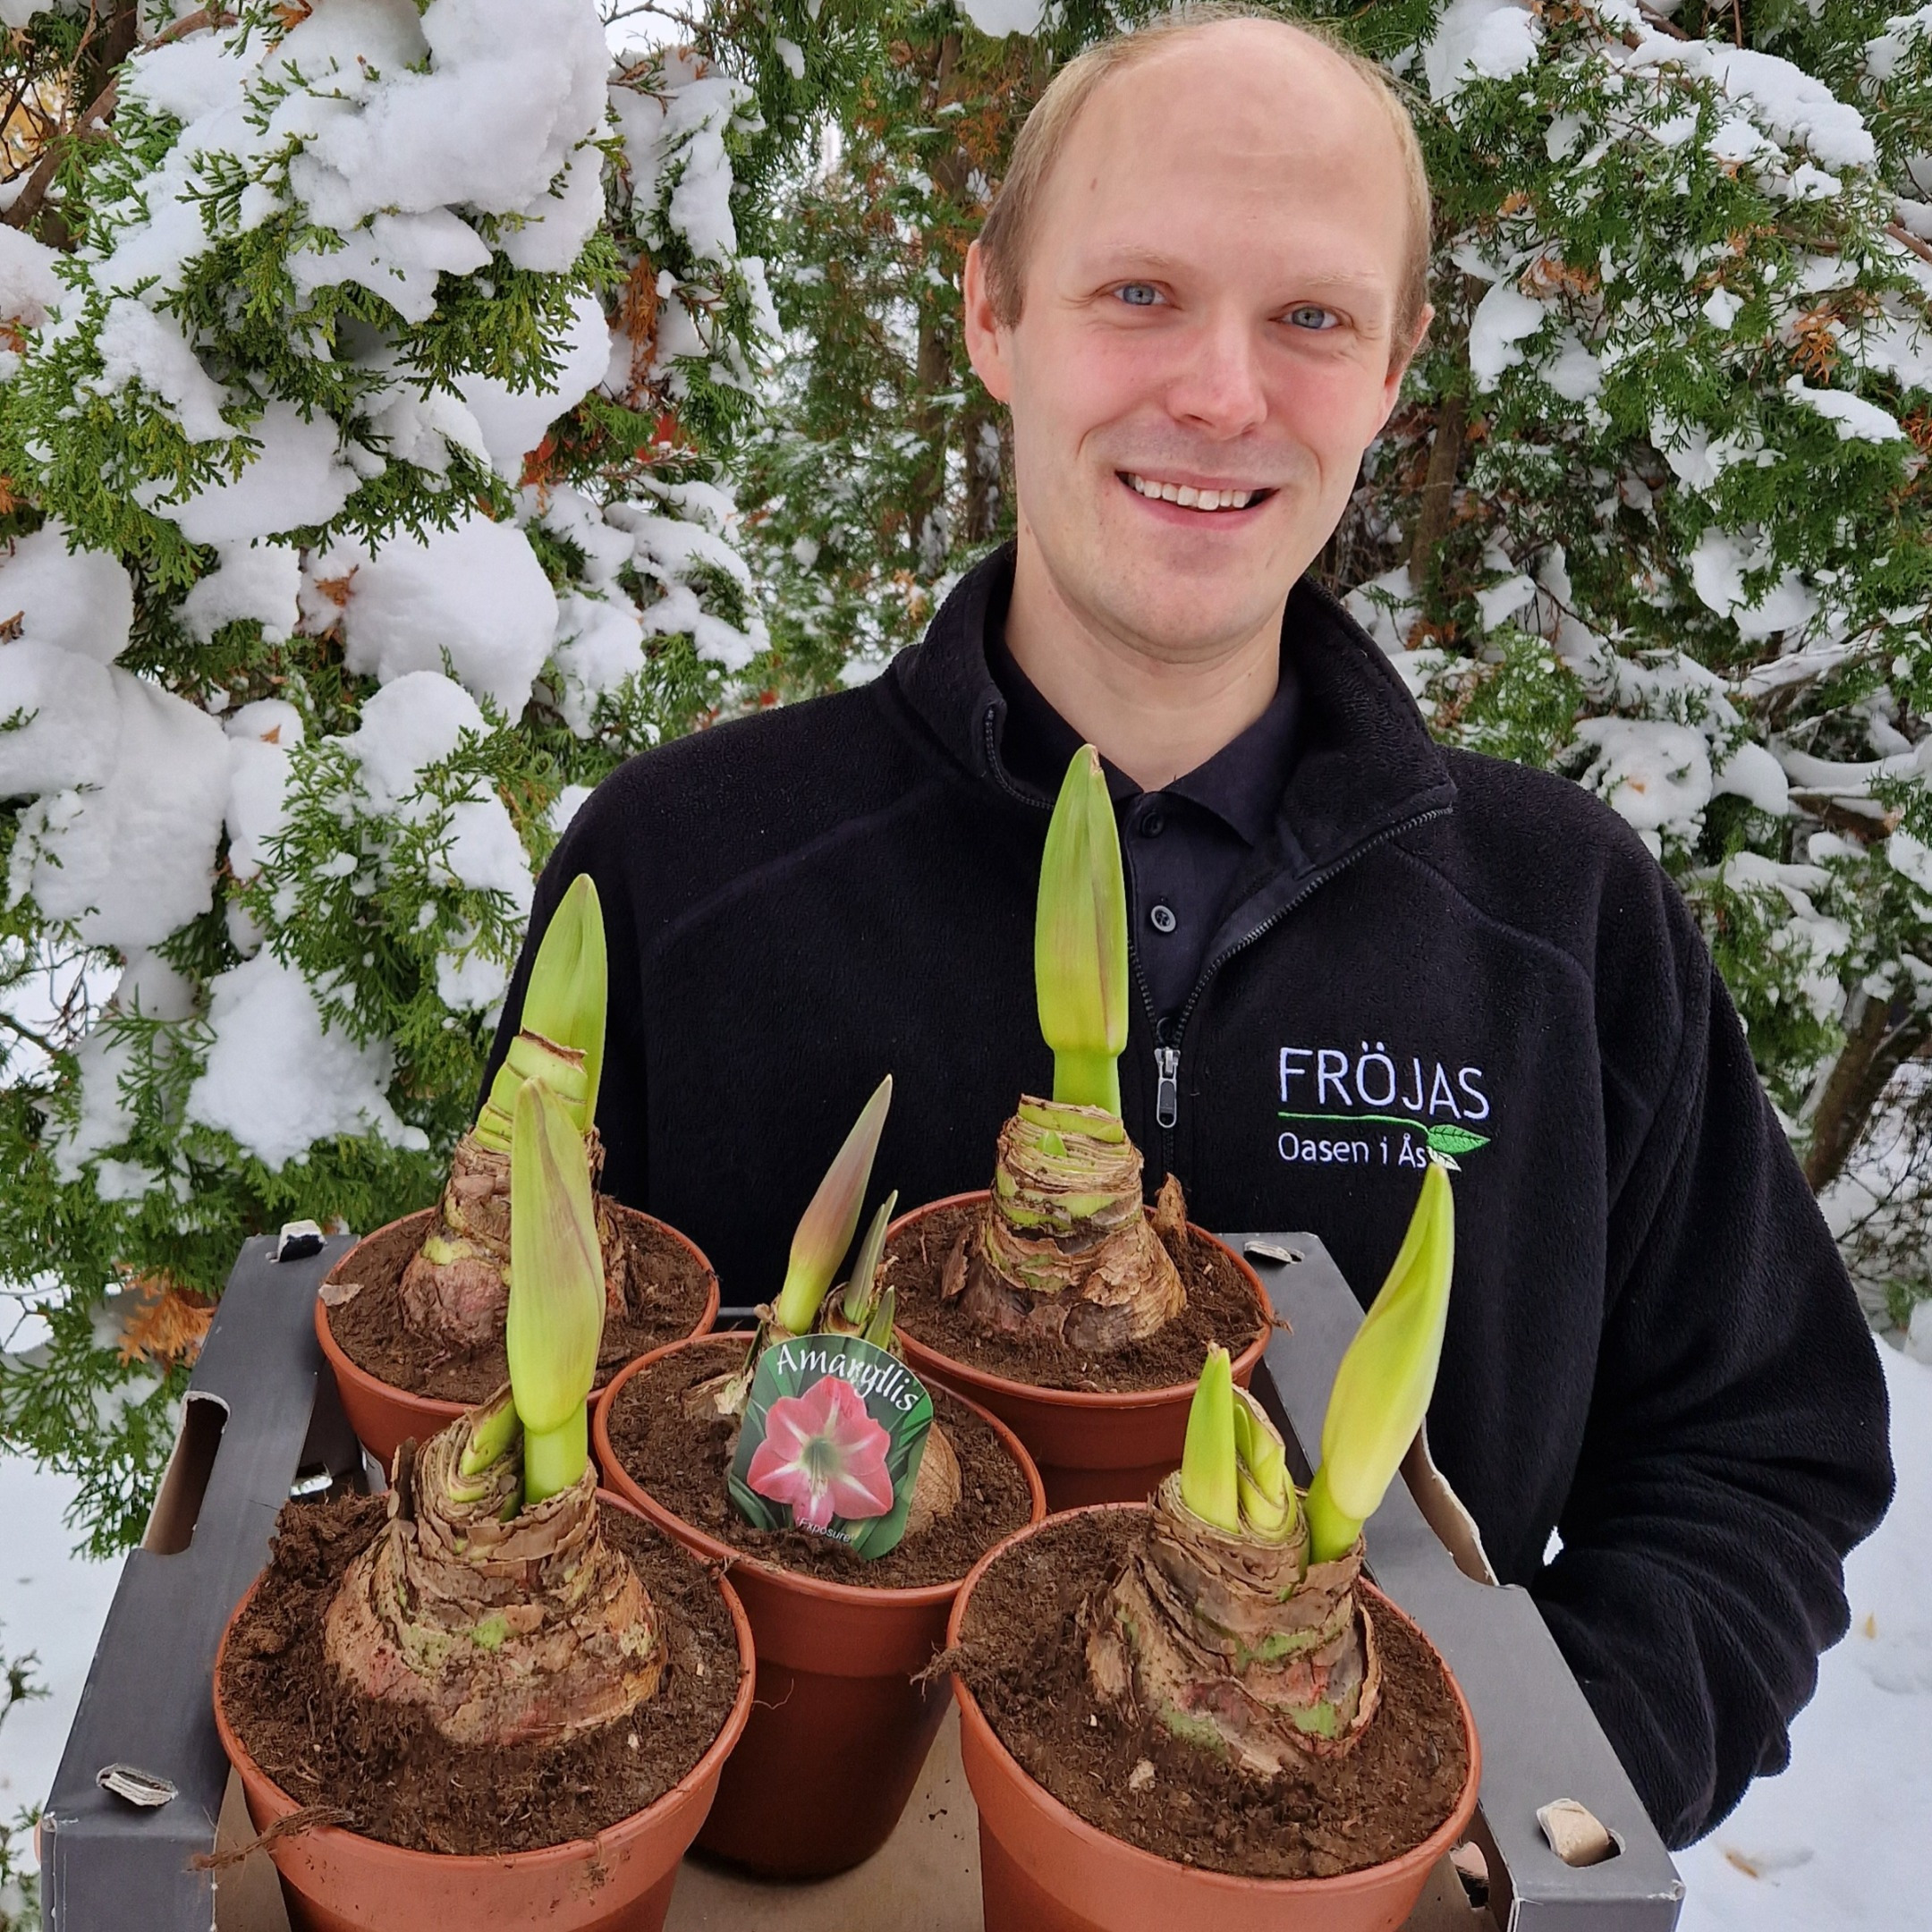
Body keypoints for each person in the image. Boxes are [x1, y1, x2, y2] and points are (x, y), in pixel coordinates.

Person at [487, 4, 1892, 1846]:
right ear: (995, 317)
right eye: (1139, 292)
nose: (1222, 394)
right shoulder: (681, 869)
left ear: (1393, 370)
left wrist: (1508, 1817)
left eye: (1310, 317)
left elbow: (1758, 1454)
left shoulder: (1563, 918)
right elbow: (521, 1438)